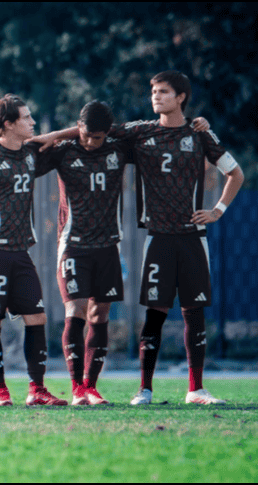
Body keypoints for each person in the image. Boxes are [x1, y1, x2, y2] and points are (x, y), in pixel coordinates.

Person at [108, 71, 243, 405]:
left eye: (163, 91)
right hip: (159, 238)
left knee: (194, 313)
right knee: (155, 314)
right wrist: (46, 139)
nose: (156, 96)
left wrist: (217, 210)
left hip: (193, 238)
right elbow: (92, 130)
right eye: (153, 91)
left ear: (181, 97)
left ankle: (195, 389)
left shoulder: (200, 133)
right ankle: (144, 389)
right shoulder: (141, 132)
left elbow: (236, 174)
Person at [0, 94, 68, 407]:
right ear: (7, 124)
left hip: (21, 253)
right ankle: (1, 392)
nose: (33, 123)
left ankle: (37, 390)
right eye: (26, 118)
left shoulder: (31, 153)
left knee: (37, 317)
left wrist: (69, 132)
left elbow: (67, 133)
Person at [34, 101, 131, 405]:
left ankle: (91, 385)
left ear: (107, 133)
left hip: (108, 245)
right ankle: (77, 388)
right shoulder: (64, 150)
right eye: (86, 135)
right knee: (74, 311)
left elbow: (143, 131)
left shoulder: (118, 148)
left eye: (98, 137)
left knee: (100, 313)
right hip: (73, 245)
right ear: (78, 128)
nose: (91, 142)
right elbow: (29, 150)